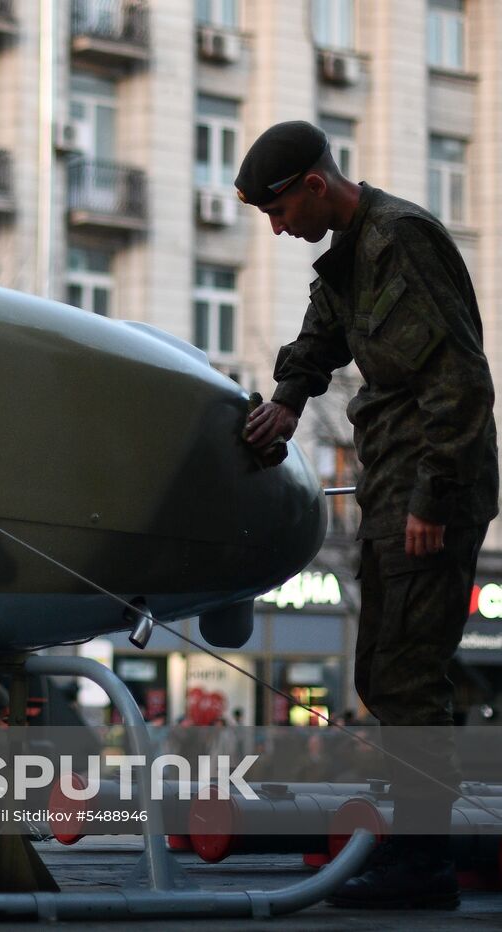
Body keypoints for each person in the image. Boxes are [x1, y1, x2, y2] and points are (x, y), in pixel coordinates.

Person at [239, 120, 499, 910]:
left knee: (407, 675)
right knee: (383, 672)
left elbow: (460, 381)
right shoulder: (351, 256)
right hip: (393, 483)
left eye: (281, 213)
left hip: (429, 488)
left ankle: (423, 869)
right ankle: (414, 853)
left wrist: (434, 498)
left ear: (315, 186)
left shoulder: (401, 241)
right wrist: (286, 401)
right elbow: (322, 335)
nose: (280, 231)